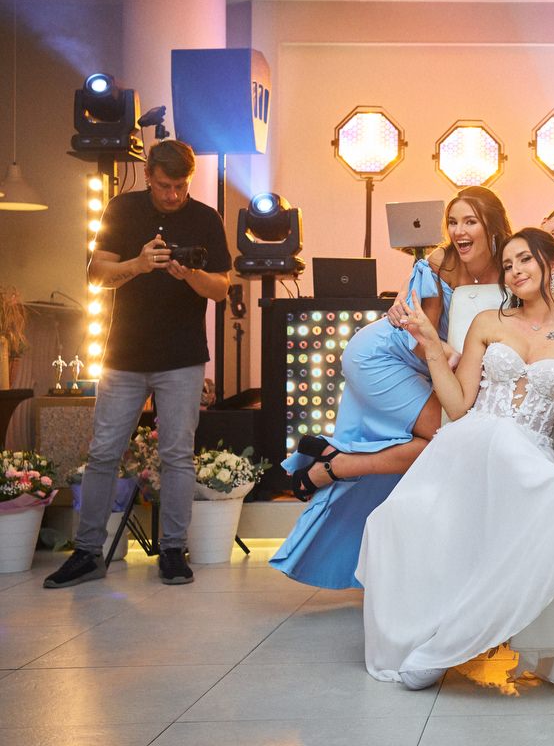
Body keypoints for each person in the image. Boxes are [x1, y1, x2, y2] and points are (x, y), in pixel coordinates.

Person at [355, 228, 554, 702]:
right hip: (469, 448)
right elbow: (458, 404)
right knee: (393, 519)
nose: (515, 271)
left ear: (552, 263)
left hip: (527, 458)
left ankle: (444, 645)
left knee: (513, 446)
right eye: (508, 265)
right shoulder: (488, 322)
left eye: (524, 260)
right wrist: (430, 343)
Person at [270, 186, 512, 589]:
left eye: (470, 221)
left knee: (449, 444)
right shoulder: (441, 263)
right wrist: (455, 357)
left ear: (493, 226)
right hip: (381, 355)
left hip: (428, 366)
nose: (459, 231)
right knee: (448, 439)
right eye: (453, 222)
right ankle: (337, 466)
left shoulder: (511, 267)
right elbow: (420, 337)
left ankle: (399, 560)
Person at [44, 140, 231, 588]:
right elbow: (96, 275)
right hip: (124, 354)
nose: (173, 195)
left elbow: (222, 289)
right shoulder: (122, 209)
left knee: (177, 456)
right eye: (165, 186)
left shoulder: (206, 217)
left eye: (181, 186)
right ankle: (87, 552)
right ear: (148, 176)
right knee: (104, 452)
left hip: (182, 356)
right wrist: (140, 264)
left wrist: (191, 275)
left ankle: (173, 551)